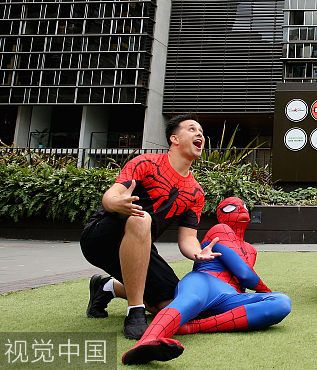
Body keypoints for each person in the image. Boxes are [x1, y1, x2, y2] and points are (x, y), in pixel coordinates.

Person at [81, 113, 219, 339]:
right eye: (192, 129)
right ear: (174, 139)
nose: (199, 134)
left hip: (140, 248)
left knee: (171, 303)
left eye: (201, 132)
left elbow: (187, 238)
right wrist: (119, 203)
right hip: (101, 237)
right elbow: (109, 197)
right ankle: (134, 312)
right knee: (141, 217)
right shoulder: (146, 163)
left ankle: (106, 288)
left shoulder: (196, 192)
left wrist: (198, 252)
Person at [122, 197, 292, 365]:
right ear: (221, 214)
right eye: (231, 207)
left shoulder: (251, 250)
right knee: (188, 300)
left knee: (282, 302)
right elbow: (245, 275)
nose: (240, 209)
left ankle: (192, 326)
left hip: (230, 297)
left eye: (243, 206)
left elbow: (245, 279)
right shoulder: (220, 230)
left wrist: (266, 296)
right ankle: (146, 341)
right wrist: (265, 291)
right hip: (205, 281)